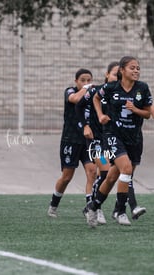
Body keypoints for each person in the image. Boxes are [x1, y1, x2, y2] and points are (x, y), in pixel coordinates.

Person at [86, 56, 152, 227]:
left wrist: (136, 109)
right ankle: (121, 210)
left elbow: (148, 113)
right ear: (119, 71)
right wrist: (99, 116)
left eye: (138, 68)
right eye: (132, 67)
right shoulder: (109, 88)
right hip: (105, 140)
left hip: (132, 138)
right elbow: (94, 99)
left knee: (112, 176)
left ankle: (93, 206)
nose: (136, 70)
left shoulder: (142, 88)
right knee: (122, 169)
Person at [47, 69, 97, 218]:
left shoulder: (94, 95)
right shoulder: (70, 91)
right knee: (67, 177)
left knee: (93, 172)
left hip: (88, 142)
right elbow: (74, 99)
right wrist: (87, 90)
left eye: (89, 80)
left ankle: (90, 207)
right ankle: (53, 205)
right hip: (71, 141)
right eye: (83, 80)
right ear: (76, 81)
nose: (86, 83)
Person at [75, 61, 120, 225]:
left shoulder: (122, 94)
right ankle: (96, 207)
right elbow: (78, 107)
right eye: (115, 74)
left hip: (112, 141)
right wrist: (85, 126)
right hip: (95, 141)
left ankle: (98, 206)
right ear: (107, 74)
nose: (117, 77)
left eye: (120, 75)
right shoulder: (95, 91)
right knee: (105, 169)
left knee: (111, 174)